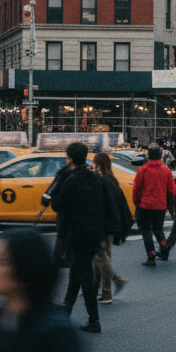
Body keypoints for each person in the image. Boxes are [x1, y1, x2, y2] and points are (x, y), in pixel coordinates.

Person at [50, 142, 108, 333]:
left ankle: (94, 319)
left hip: (76, 233)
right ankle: (65, 312)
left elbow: (57, 205)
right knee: (77, 272)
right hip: (94, 232)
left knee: (84, 276)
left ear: (69, 159)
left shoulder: (70, 181)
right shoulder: (95, 178)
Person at [91, 153, 130, 305]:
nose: (92, 166)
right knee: (101, 257)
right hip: (111, 225)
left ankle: (106, 293)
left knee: (100, 257)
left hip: (103, 225)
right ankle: (96, 289)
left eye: (94, 164)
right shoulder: (112, 181)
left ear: (98, 166)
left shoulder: (102, 182)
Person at [132, 144, 176, 266]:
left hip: (145, 204)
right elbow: (172, 189)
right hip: (161, 205)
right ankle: (164, 247)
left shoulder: (143, 170)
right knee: (158, 228)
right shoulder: (166, 170)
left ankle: (151, 255)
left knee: (146, 230)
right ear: (161, 156)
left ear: (148, 156)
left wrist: (136, 202)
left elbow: (137, 189)